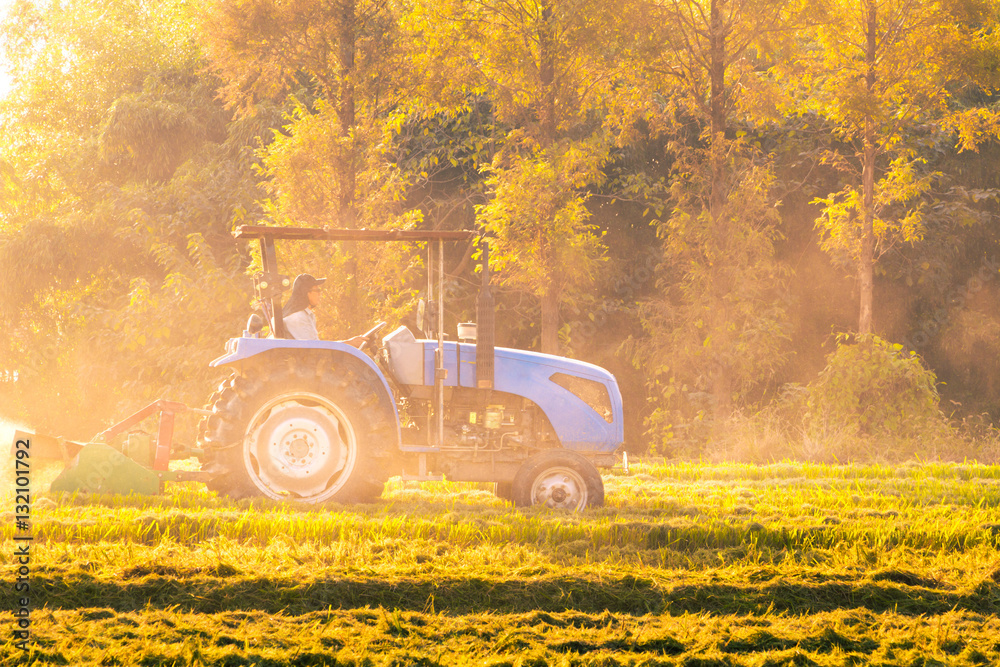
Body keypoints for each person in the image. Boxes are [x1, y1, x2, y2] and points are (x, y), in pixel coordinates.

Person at [282, 274, 325, 340]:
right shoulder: (298, 317)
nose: (319, 294)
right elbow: (314, 348)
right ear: (306, 293)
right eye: (317, 291)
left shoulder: (307, 315)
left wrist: (342, 344)